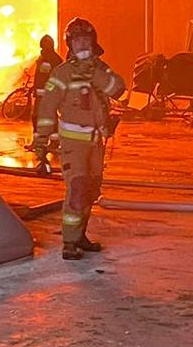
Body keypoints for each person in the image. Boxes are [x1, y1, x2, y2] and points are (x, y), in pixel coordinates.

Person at [32, 17, 126, 259]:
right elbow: (46, 110)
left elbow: (118, 89)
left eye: (86, 39)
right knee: (77, 189)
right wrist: (41, 143)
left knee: (91, 192)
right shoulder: (61, 74)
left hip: (96, 144)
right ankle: (69, 243)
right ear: (69, 45)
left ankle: (81, 235)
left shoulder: (100, 69)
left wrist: (95, 74)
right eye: (77, 40)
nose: (82, 44)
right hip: (74, 145)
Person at [27, 34, 63, 172]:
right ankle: (53, 142)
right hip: (46, 95)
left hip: (45, 96)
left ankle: (41, 143)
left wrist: (40, 91)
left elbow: (45, 78)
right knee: (50, 119)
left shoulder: (48, 59)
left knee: (38, 118)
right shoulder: (51, 58)